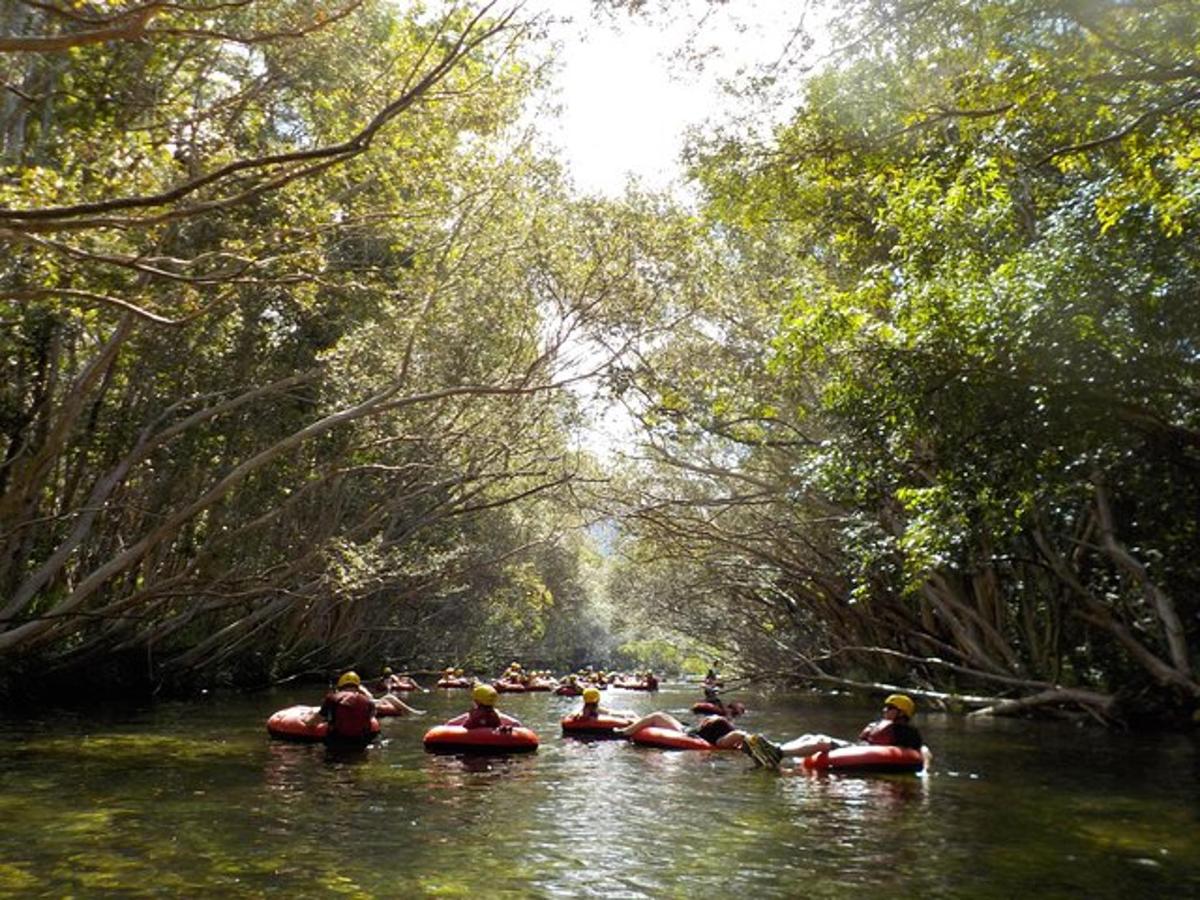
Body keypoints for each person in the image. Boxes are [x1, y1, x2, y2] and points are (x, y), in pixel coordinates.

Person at [743, 693, 930, 768]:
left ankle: (778, 753)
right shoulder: (880, 725)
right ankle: (773, 751)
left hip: (864, 752)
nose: (884, 710)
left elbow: (921, 751)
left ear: (901, 713)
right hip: (858, 748)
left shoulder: (908, 732)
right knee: (811, 736)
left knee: (823, 741)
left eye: (889, 708)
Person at [616, 703, 748, 749]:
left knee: (656, 716)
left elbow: (738, 735)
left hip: (689, 734)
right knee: (658, 715)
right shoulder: (725, 727)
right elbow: (738, 734)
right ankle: (630, 724)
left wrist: (746, 738)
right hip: (689, 730)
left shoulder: (721, 740)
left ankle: (625, 732)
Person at [307, 671, 377, 746]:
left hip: (337, 742)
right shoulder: (368, 702)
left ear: (340, 685)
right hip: (360, 743)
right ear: (358, 687)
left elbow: (314, 722)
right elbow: (371, 716)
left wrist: (307, 719)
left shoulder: (332, 698)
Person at [445, 683, 522, 730]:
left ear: (476, 701)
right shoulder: (497, 714)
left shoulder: (471, 715)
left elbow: (450, 723)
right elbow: (516, 723)